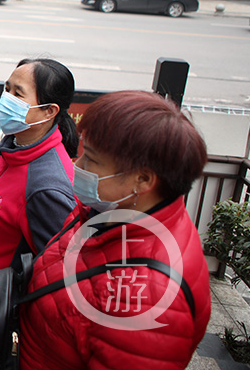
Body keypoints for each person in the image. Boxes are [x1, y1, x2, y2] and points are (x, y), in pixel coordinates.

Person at [19, 90, 211, 369]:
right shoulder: (109, 211)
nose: (77, 166)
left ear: (142, 180)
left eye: (92, 161)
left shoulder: (147, 301)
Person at [0, 58, 78, 283]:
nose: (6, 99)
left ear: (48, 111)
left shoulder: (47, 186)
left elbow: (58, 272)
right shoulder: (11, 147)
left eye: (18, 94)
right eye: (7, 89)